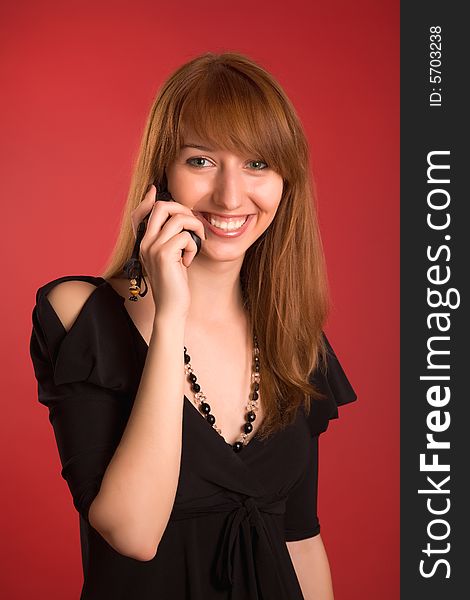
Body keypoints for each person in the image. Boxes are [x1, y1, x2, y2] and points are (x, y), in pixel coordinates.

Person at [29, 51, 357, 600]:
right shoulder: (80, 314)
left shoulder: (296, 342)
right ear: (162, 174)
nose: (231, 196)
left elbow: (300, 541)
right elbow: (131, 532)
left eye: (258, 164)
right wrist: (171, 313)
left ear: (285, 182)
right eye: (202, 161)